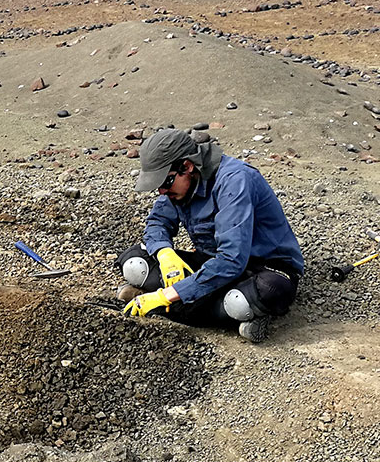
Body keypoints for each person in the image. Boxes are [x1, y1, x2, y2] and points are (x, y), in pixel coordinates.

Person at [117, 127, 304, 342]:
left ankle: (192, 307)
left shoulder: (235, 180)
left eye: (165, 182)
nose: (161, 192)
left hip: (262, 267)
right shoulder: (177, 187)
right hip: (213, 262)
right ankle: (227, 313)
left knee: (256, 295)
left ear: (186, 166)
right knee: (134, 263)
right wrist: (164, 253)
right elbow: (158, 222)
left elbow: (232, 259)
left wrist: (166, 295)